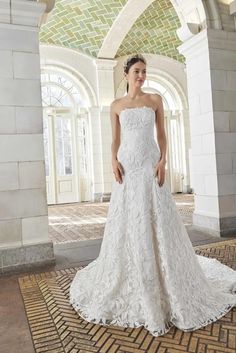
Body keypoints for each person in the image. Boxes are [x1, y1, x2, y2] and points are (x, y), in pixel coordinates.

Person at [70, 54, 236, 337]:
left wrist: (163, 162)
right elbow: (114, 138)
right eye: (136, 71)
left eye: (144, 71)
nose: (141, 76)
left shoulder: (155, 99)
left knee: (157, 218)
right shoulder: (116, 105)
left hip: (149, 165)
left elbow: (162, 135)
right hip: (127, 166)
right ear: (126, 74)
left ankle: (167, 277)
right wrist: (112, 159)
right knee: (129, 221)